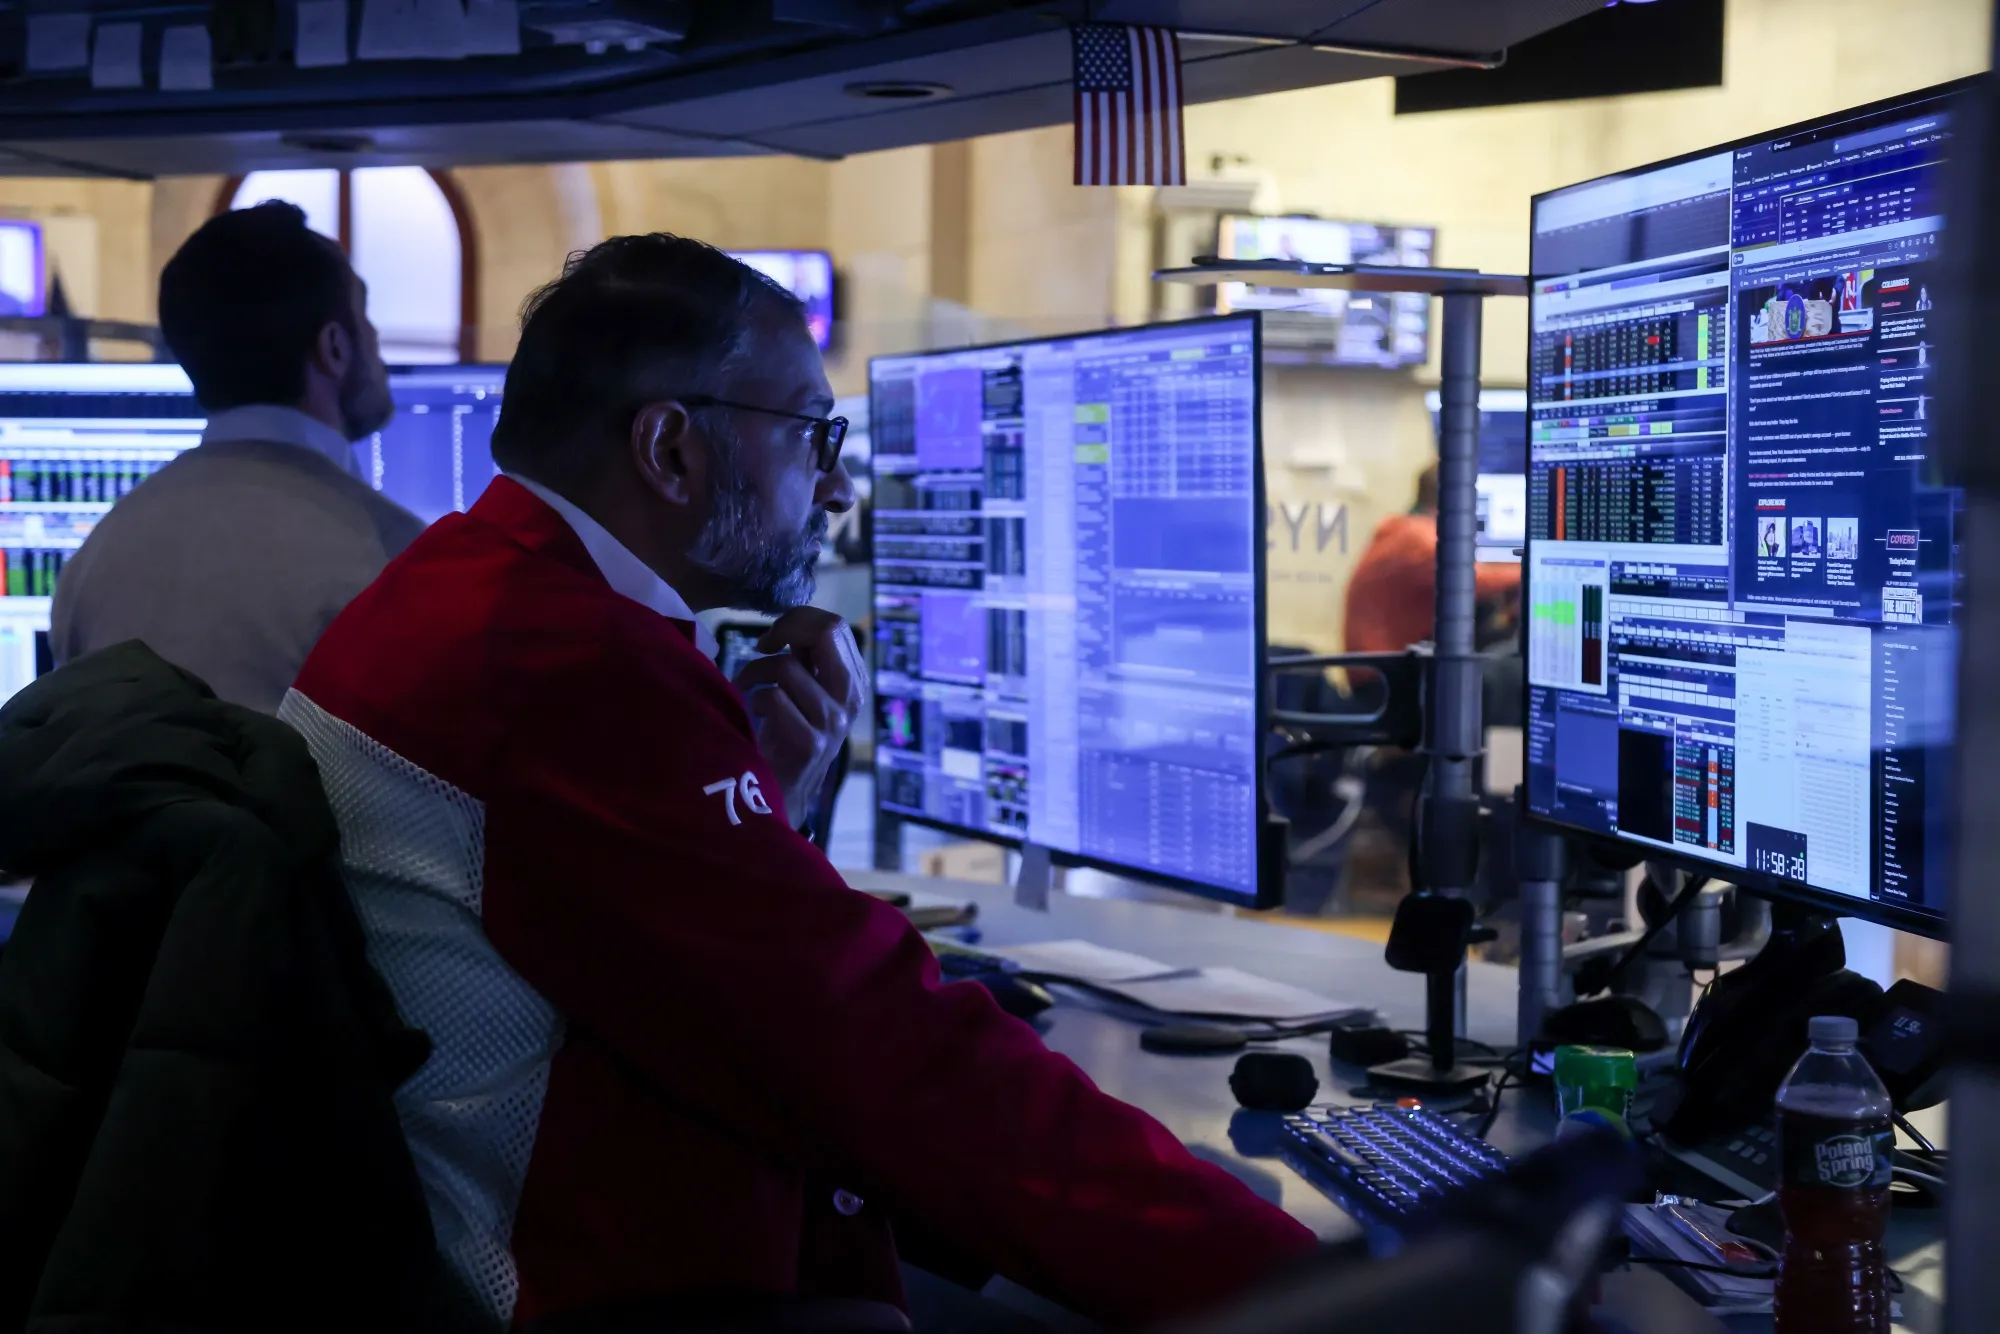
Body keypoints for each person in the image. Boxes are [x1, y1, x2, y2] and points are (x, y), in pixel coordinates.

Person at [278, 235, 1316, 1330]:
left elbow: (658, 949)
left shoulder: (458, 589)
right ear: (669, 446)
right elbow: (884, 1057)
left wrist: (757, 800)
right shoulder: (576, 671)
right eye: (813, 434)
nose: (834, 482)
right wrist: (1308, 1286)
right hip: (597, 1287)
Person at [50, 202, 420, 712]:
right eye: (365, 315)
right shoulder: (392, 559)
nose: (376, 340)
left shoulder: (96, 559)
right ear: (333, 348)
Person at [1343, 461, 1520, 653]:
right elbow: (1474, 580)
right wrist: (1532, 568)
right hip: (1387, 667)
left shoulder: (1403, 527)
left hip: (1384, 657)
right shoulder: (1419, 540)